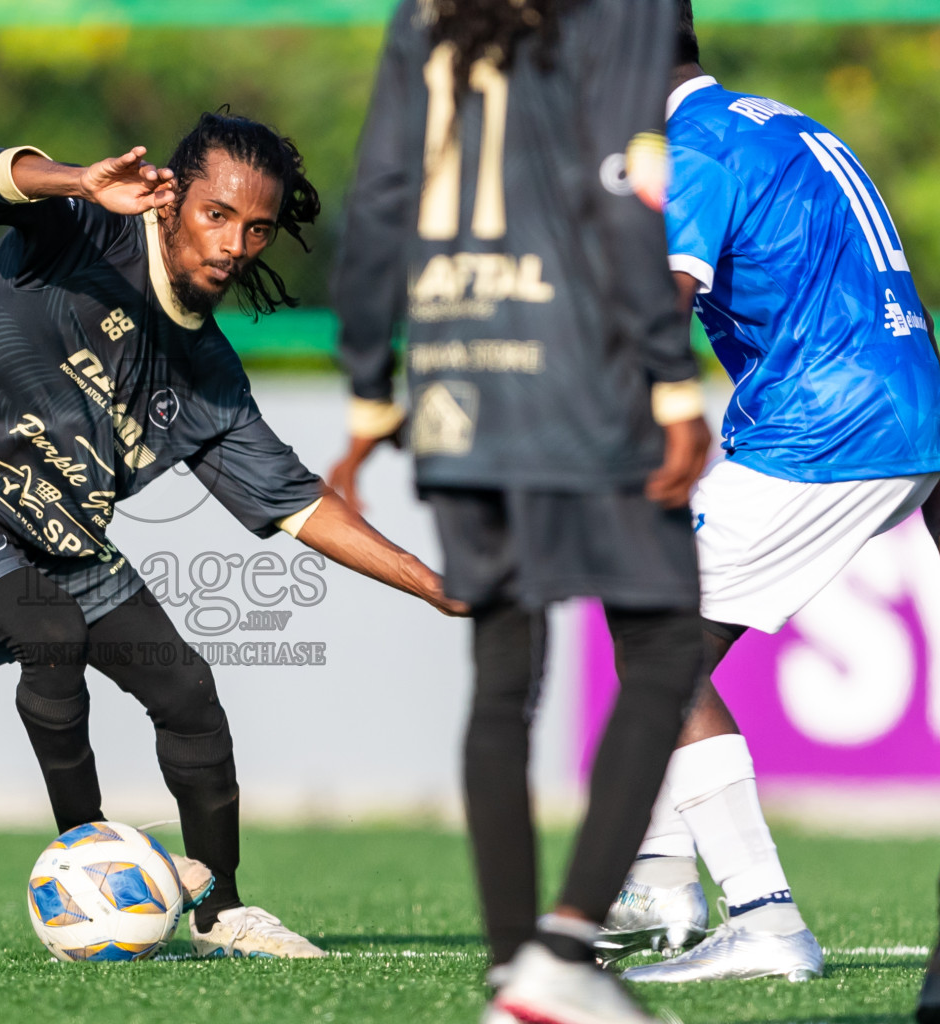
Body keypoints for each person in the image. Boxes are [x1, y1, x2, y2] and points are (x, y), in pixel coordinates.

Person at [0, 111, 464, 960]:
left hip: (51, 524)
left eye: (258, 228)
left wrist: (428, 581)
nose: (236, 243)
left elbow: (297, 503)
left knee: (188, 693)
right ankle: (88, 872)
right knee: (46, 628)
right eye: (217, 214)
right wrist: (75, 178)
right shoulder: (88, 230)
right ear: (170, 200)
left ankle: (221, 913)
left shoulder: (209, 379)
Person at [330, 0, 709, 1019]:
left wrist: (370, 387)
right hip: (577, 378)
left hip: (456, 377)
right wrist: (672, 381)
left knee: (503, 673)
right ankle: (567, 945)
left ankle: (514, 976)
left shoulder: (429, 12)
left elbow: (377, 198)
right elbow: (624, 188)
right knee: (669, 646)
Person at [599, 1, 940, 984]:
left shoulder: (689, 147)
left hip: (824, 428)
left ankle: (761, 917)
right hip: (900, 416)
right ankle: (659, 881)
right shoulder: (789, 123)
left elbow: (659, 320)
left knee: (655, 637)